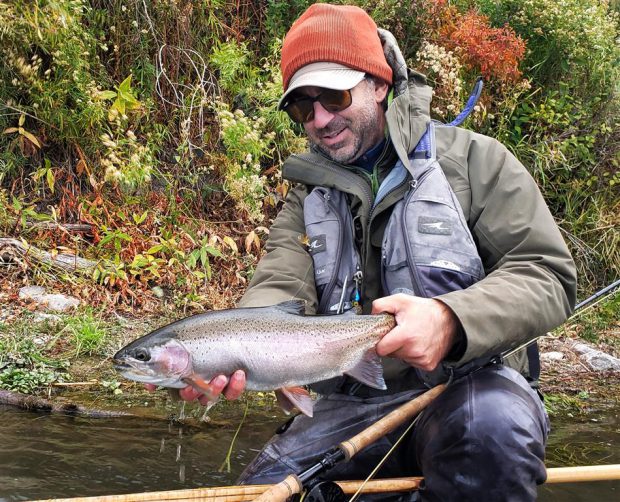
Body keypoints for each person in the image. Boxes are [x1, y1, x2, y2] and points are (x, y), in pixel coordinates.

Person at [163, 3, 577, 500]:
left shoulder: (475, 161)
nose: (319, 119)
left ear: (379, 84)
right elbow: (278, 286)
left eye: (334, 96)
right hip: (355, 401)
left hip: (467, 386)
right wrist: (232, 352)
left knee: (489, 435)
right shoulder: (306, 195)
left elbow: (546, 273)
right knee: (266, 493)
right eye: (302, 106)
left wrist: (452, 318)